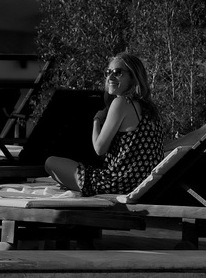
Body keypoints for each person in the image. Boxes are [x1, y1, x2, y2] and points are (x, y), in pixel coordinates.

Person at [44, 52, 164, 197]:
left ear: (133, 78)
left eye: (117, 73)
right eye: (108, 72)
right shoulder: (150, 109)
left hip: (117, 184)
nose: (110, 77)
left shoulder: (121, 102)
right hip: (144, 183)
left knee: (51, 163)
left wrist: (97, 120)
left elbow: (99, 148)